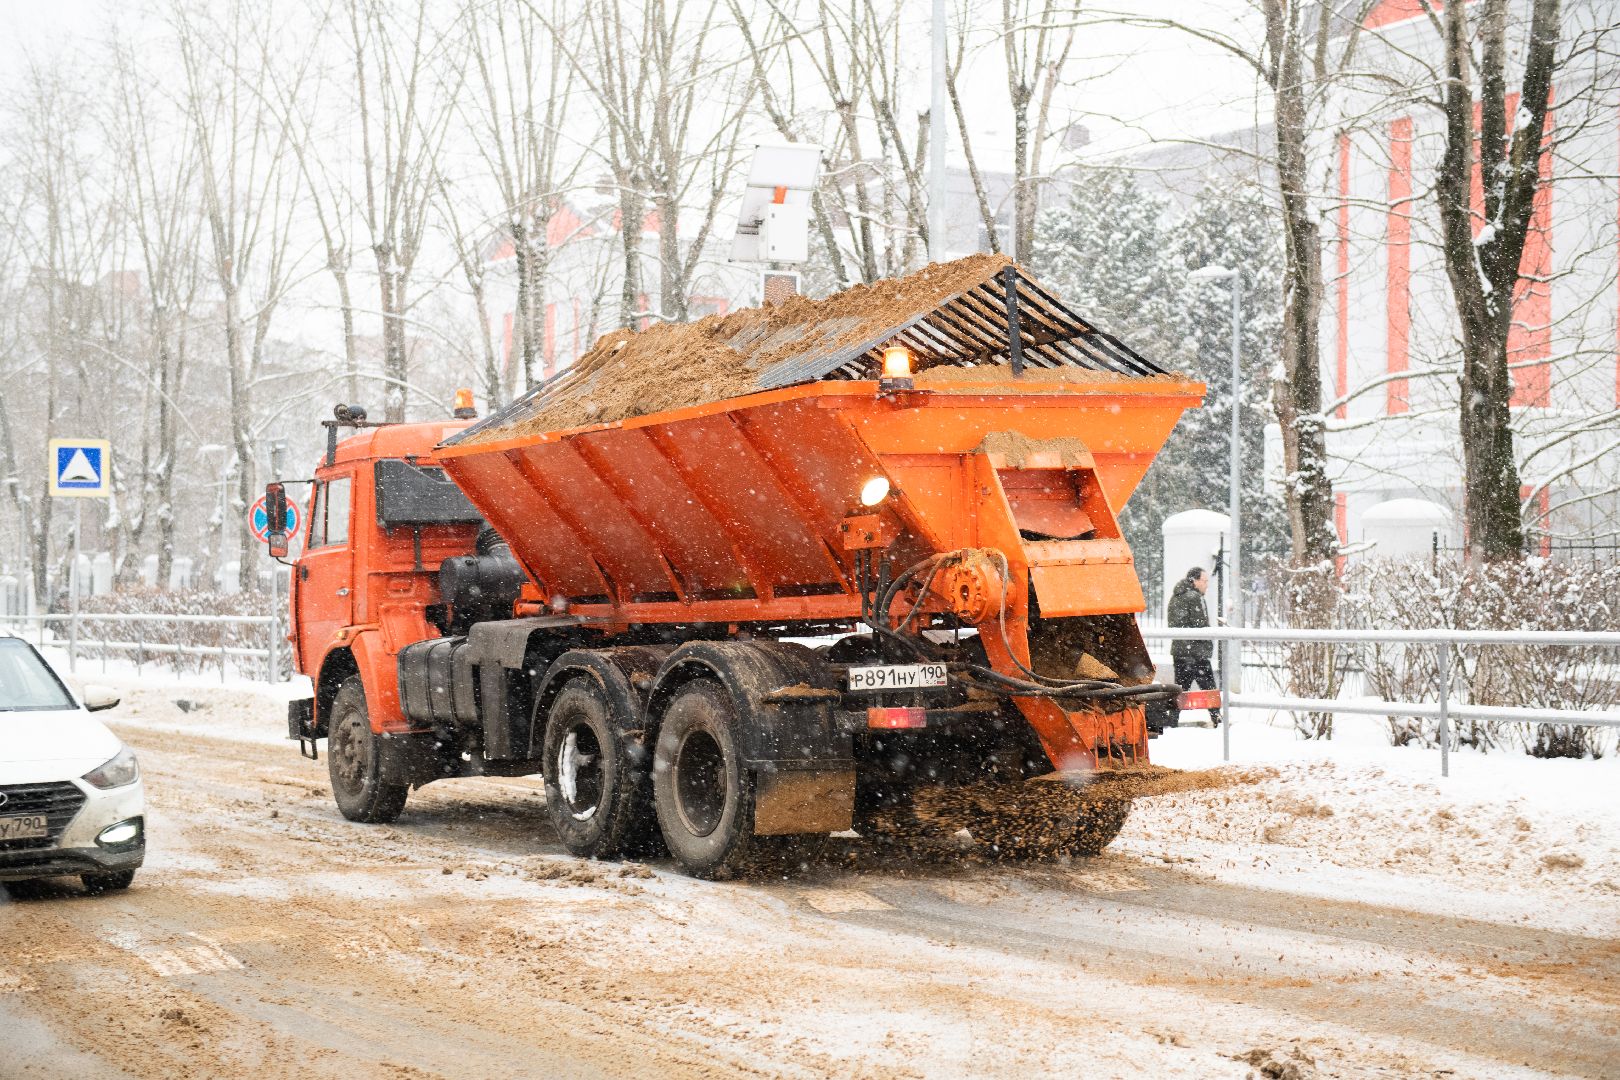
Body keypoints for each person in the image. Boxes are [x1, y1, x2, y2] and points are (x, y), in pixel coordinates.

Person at [1168, 566, 1221, 726]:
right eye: (1204, 581)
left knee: (1180, 690)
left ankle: (1172, 720)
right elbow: (1200, 624)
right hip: (1196, 653)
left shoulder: (1176, 596)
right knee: (1209, 689)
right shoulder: (1194, 597)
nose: (1206, 585)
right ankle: (1217, 718)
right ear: (1195, 581)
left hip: (1180, 651)